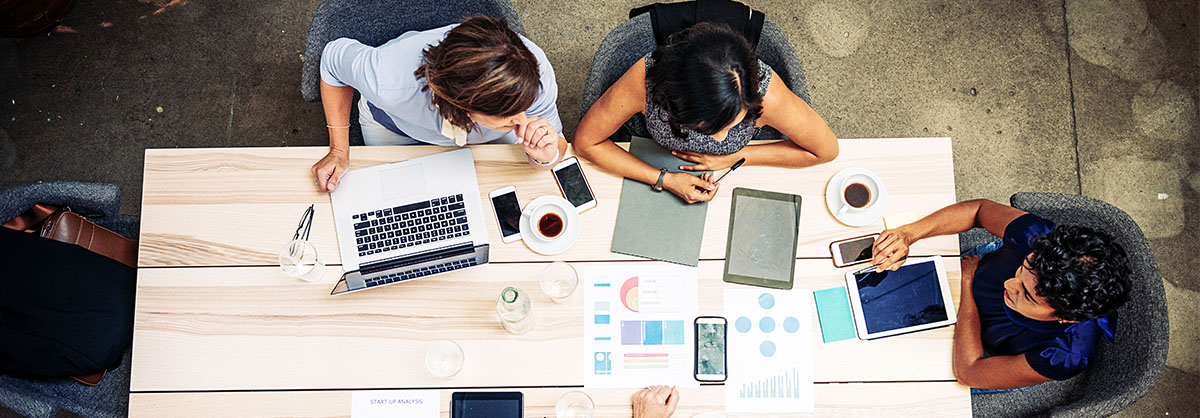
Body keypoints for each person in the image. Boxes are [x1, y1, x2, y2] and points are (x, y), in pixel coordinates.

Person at [870, 199, 1131, 390]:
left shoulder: (1065, 354)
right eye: (1022, 268)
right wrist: (908, 234)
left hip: (980, 348)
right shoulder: (1037, 238)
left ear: (1067, 320)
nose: (1008, 283)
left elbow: (970, 372)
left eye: (1027, 295)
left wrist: (967, 286)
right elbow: (979, 210)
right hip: (967, 274)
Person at [573, 22, 838, 204]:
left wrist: (735, 156)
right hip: (649, 157)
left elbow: (826, 150)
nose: (721, 140)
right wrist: (664, 180)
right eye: (712, 127)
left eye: (734, 122)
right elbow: (586, 142)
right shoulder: (644, 82)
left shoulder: (766, 93)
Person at [312, 16, 568, 192]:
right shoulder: (387, 80)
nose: (524, 120)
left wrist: (546, 156)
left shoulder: (534, 73)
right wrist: (338, 150)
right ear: (462, 102)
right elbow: (333, 59)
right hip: (397, 127)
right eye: (508, 116)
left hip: (484, 132)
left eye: (523, 107)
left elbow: (557, 143)